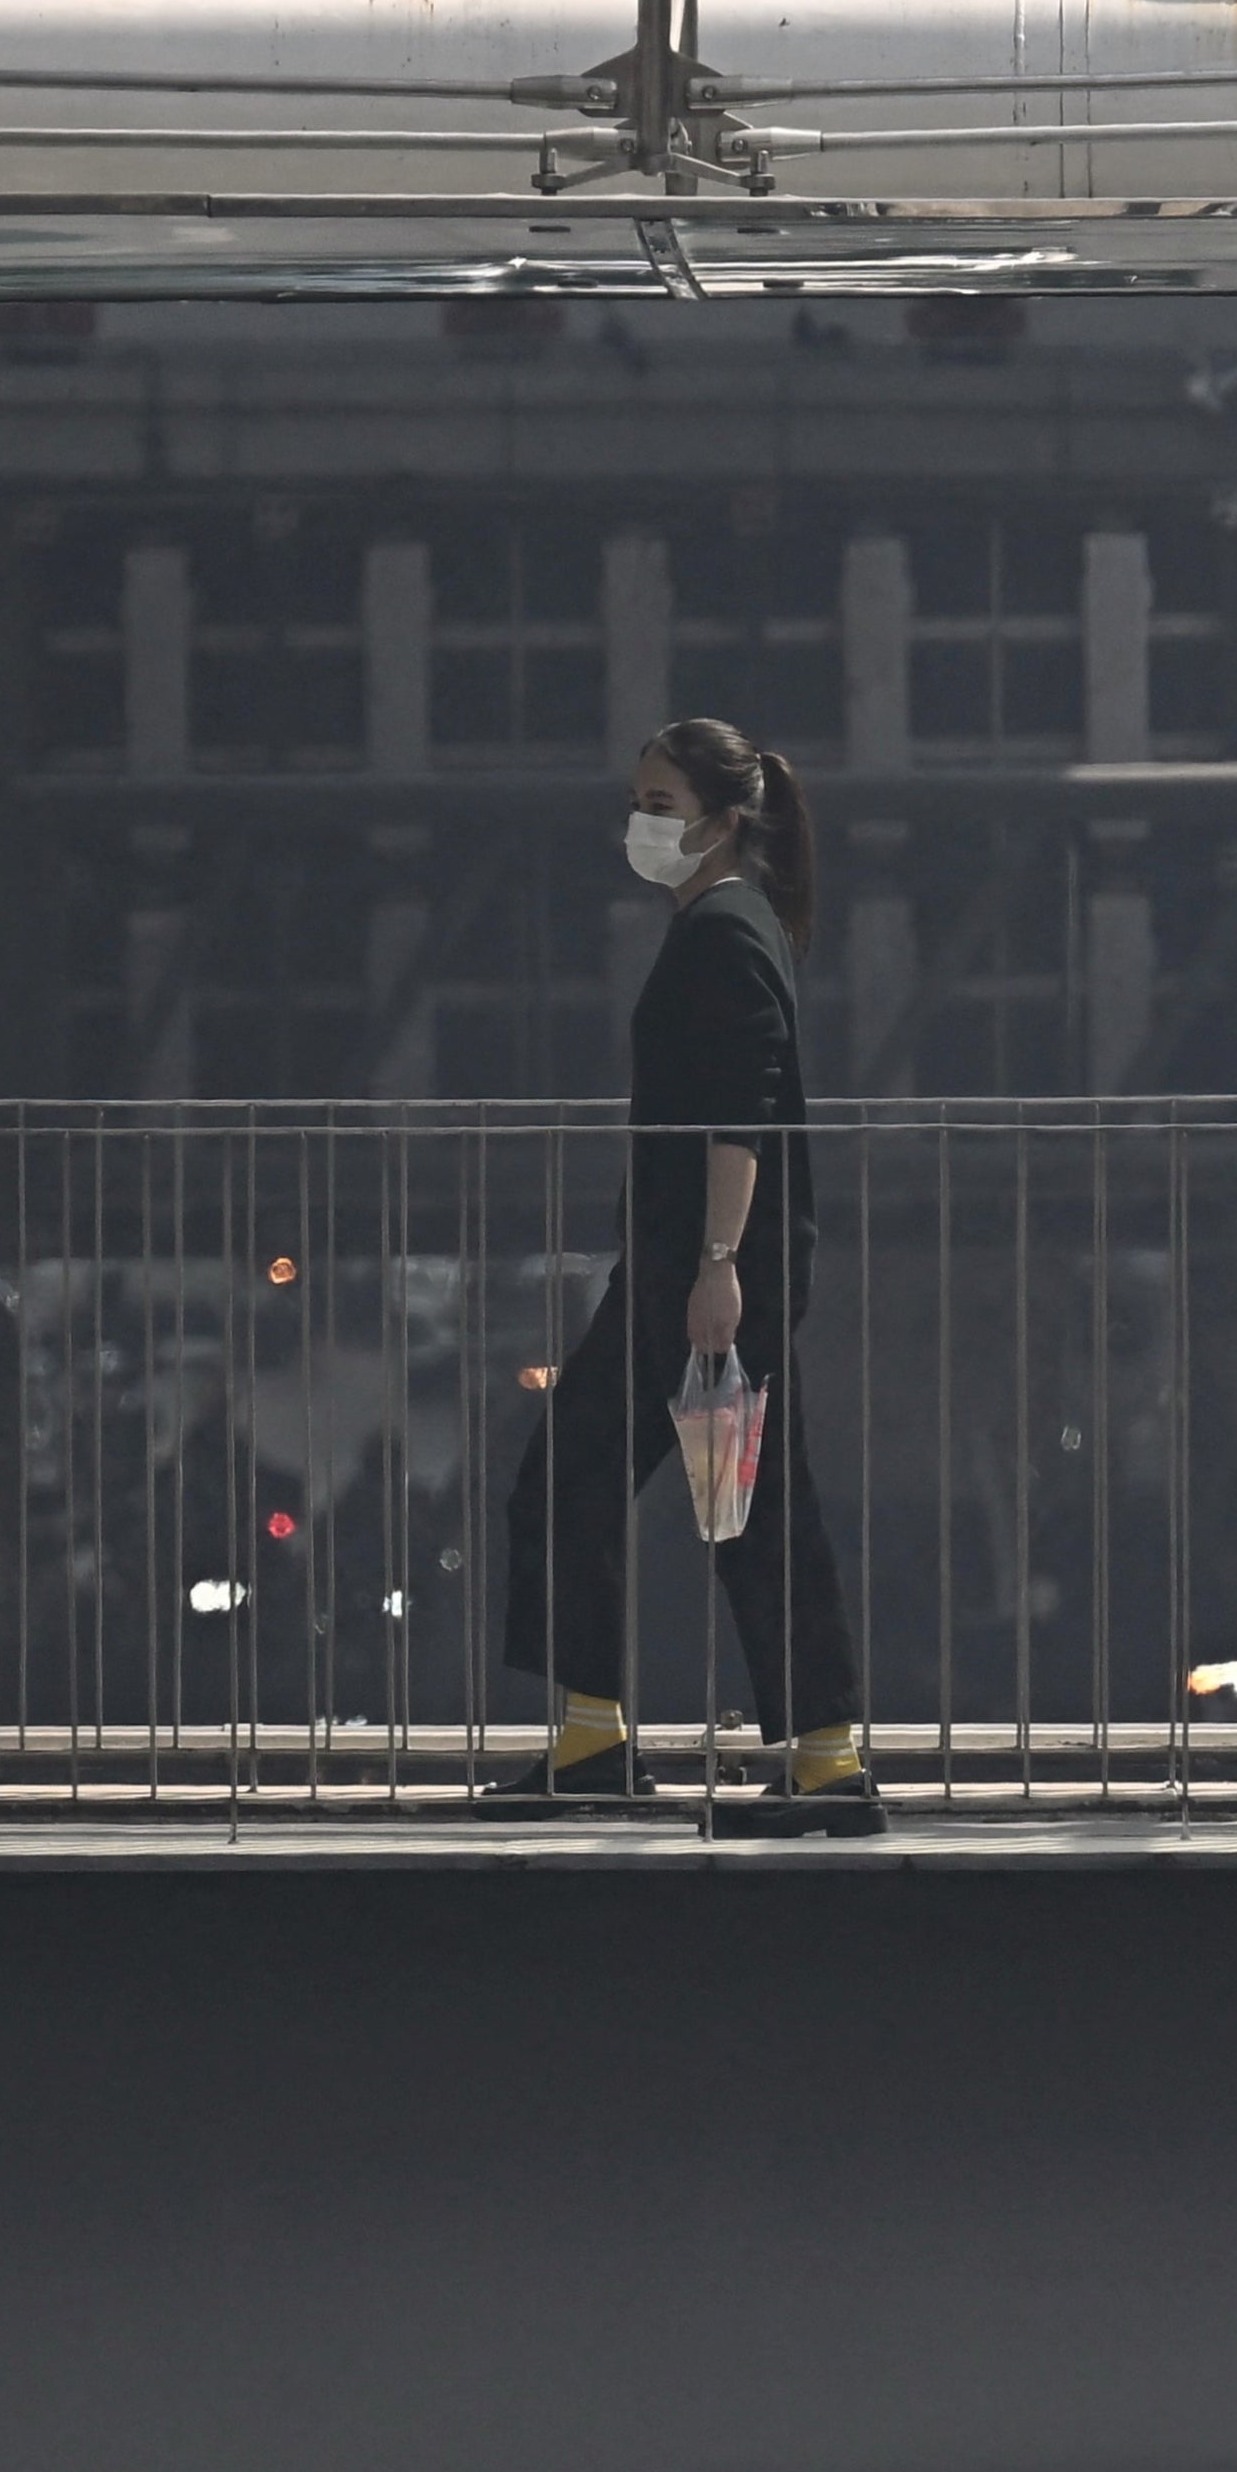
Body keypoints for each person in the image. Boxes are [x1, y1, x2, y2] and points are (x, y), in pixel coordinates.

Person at [481, 716, 875, 1836]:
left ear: (724, 816)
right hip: (678, 1269)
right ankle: (683, 1743)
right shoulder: (723, 923)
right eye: (640, 800)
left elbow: (739, 1109)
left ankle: (805, 1759)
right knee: (698, 1496)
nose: (641, 821)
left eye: (660, 803)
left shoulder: (724, 931)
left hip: (701, 1277)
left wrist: (715, 1265)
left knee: (650, 1490)